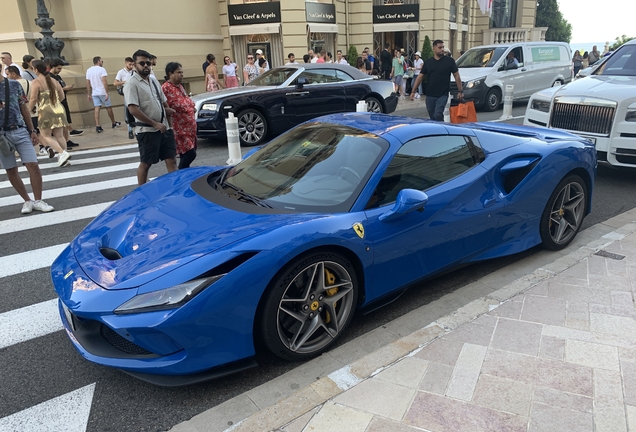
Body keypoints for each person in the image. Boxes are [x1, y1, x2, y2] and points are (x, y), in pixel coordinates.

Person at [0, 70, 54, 214]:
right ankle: (26, 200)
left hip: (19, 130)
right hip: (1, 136)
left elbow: (23, 107)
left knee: (33, 165)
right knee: (11, 169)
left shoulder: (13, 85)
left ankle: (38, 200)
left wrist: (32, 130)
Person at [123, 49, 177, 185]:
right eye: (142, 63)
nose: (146, 66)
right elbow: (133, 109)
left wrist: (169, 125)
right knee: (146, 163)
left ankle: (177, 187)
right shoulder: (131, 84)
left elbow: (163, 101)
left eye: (148, 63)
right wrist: (154, 123)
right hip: (147, 131)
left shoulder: (153, 81)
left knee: (171, 159)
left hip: (164, 127)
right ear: (134, 65)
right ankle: (141, 190)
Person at [28, 60, 72, 167]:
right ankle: (63, 155)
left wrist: (29, 109)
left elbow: (33, 98)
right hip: (58, 108)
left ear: (36, 70)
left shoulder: (36, 82)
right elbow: (62, 96)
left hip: (45, 110)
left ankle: (62, 153)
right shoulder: (54, 81)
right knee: (59, 135)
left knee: (45, 135)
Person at [410, 39, 464, 122]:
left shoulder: (449, 61)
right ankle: (438, 132)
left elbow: (456, 75)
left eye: (443, 47)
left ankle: (442, 131)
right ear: (434, 49)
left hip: (443, 94)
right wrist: (413, 91)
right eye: (439, 47)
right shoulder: (428, 62)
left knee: (438, 114)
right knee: (433, 118)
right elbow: (420, 77)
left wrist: (460, 90)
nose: (442, 49)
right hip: (430, 95)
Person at [162, 62, 197, 169]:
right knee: (190, 154)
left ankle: (185, 176)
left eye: (182, 72)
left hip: (190, 127)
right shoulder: (165, 88)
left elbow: (186, 101)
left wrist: (191, 107)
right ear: (170, 74)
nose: (181, 74)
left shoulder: (180, 87)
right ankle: (181, 174)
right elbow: (164, 106)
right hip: (179, 129)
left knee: (185, 154)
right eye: (178, 72)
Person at [49, 58, 81, 149]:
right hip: (57, 102)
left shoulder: (58, 77)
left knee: (66, 121)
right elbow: (53, 90)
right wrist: (64, 89)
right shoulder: (49, 77)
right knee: (61, 124)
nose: (60, 71)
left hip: (63, 100)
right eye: (58, 68)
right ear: (53, 67)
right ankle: (63, 142)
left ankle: (67, 140)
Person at [86, 56, 120, 133]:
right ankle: (113, 122)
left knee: (97, 108)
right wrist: (106, 92)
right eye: (102, 61)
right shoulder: (102, 70)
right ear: (98, 61)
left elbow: (87, 83)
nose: (102, 63)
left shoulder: (89, 70)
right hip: (102, 91)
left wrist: (89, 94)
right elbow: (104, 81)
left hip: (94, 92)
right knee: (108, 107)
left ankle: (98, 125)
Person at [114, 56, 135, 139]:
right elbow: (115, 83)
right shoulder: (121, 72)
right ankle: (130, 130)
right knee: (128, 110)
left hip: (133, 92)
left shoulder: (134, 72)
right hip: (126, 92)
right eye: (129, 64)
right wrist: (125, 82)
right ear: (126, 63)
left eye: (132, 64)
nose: (131, 66)